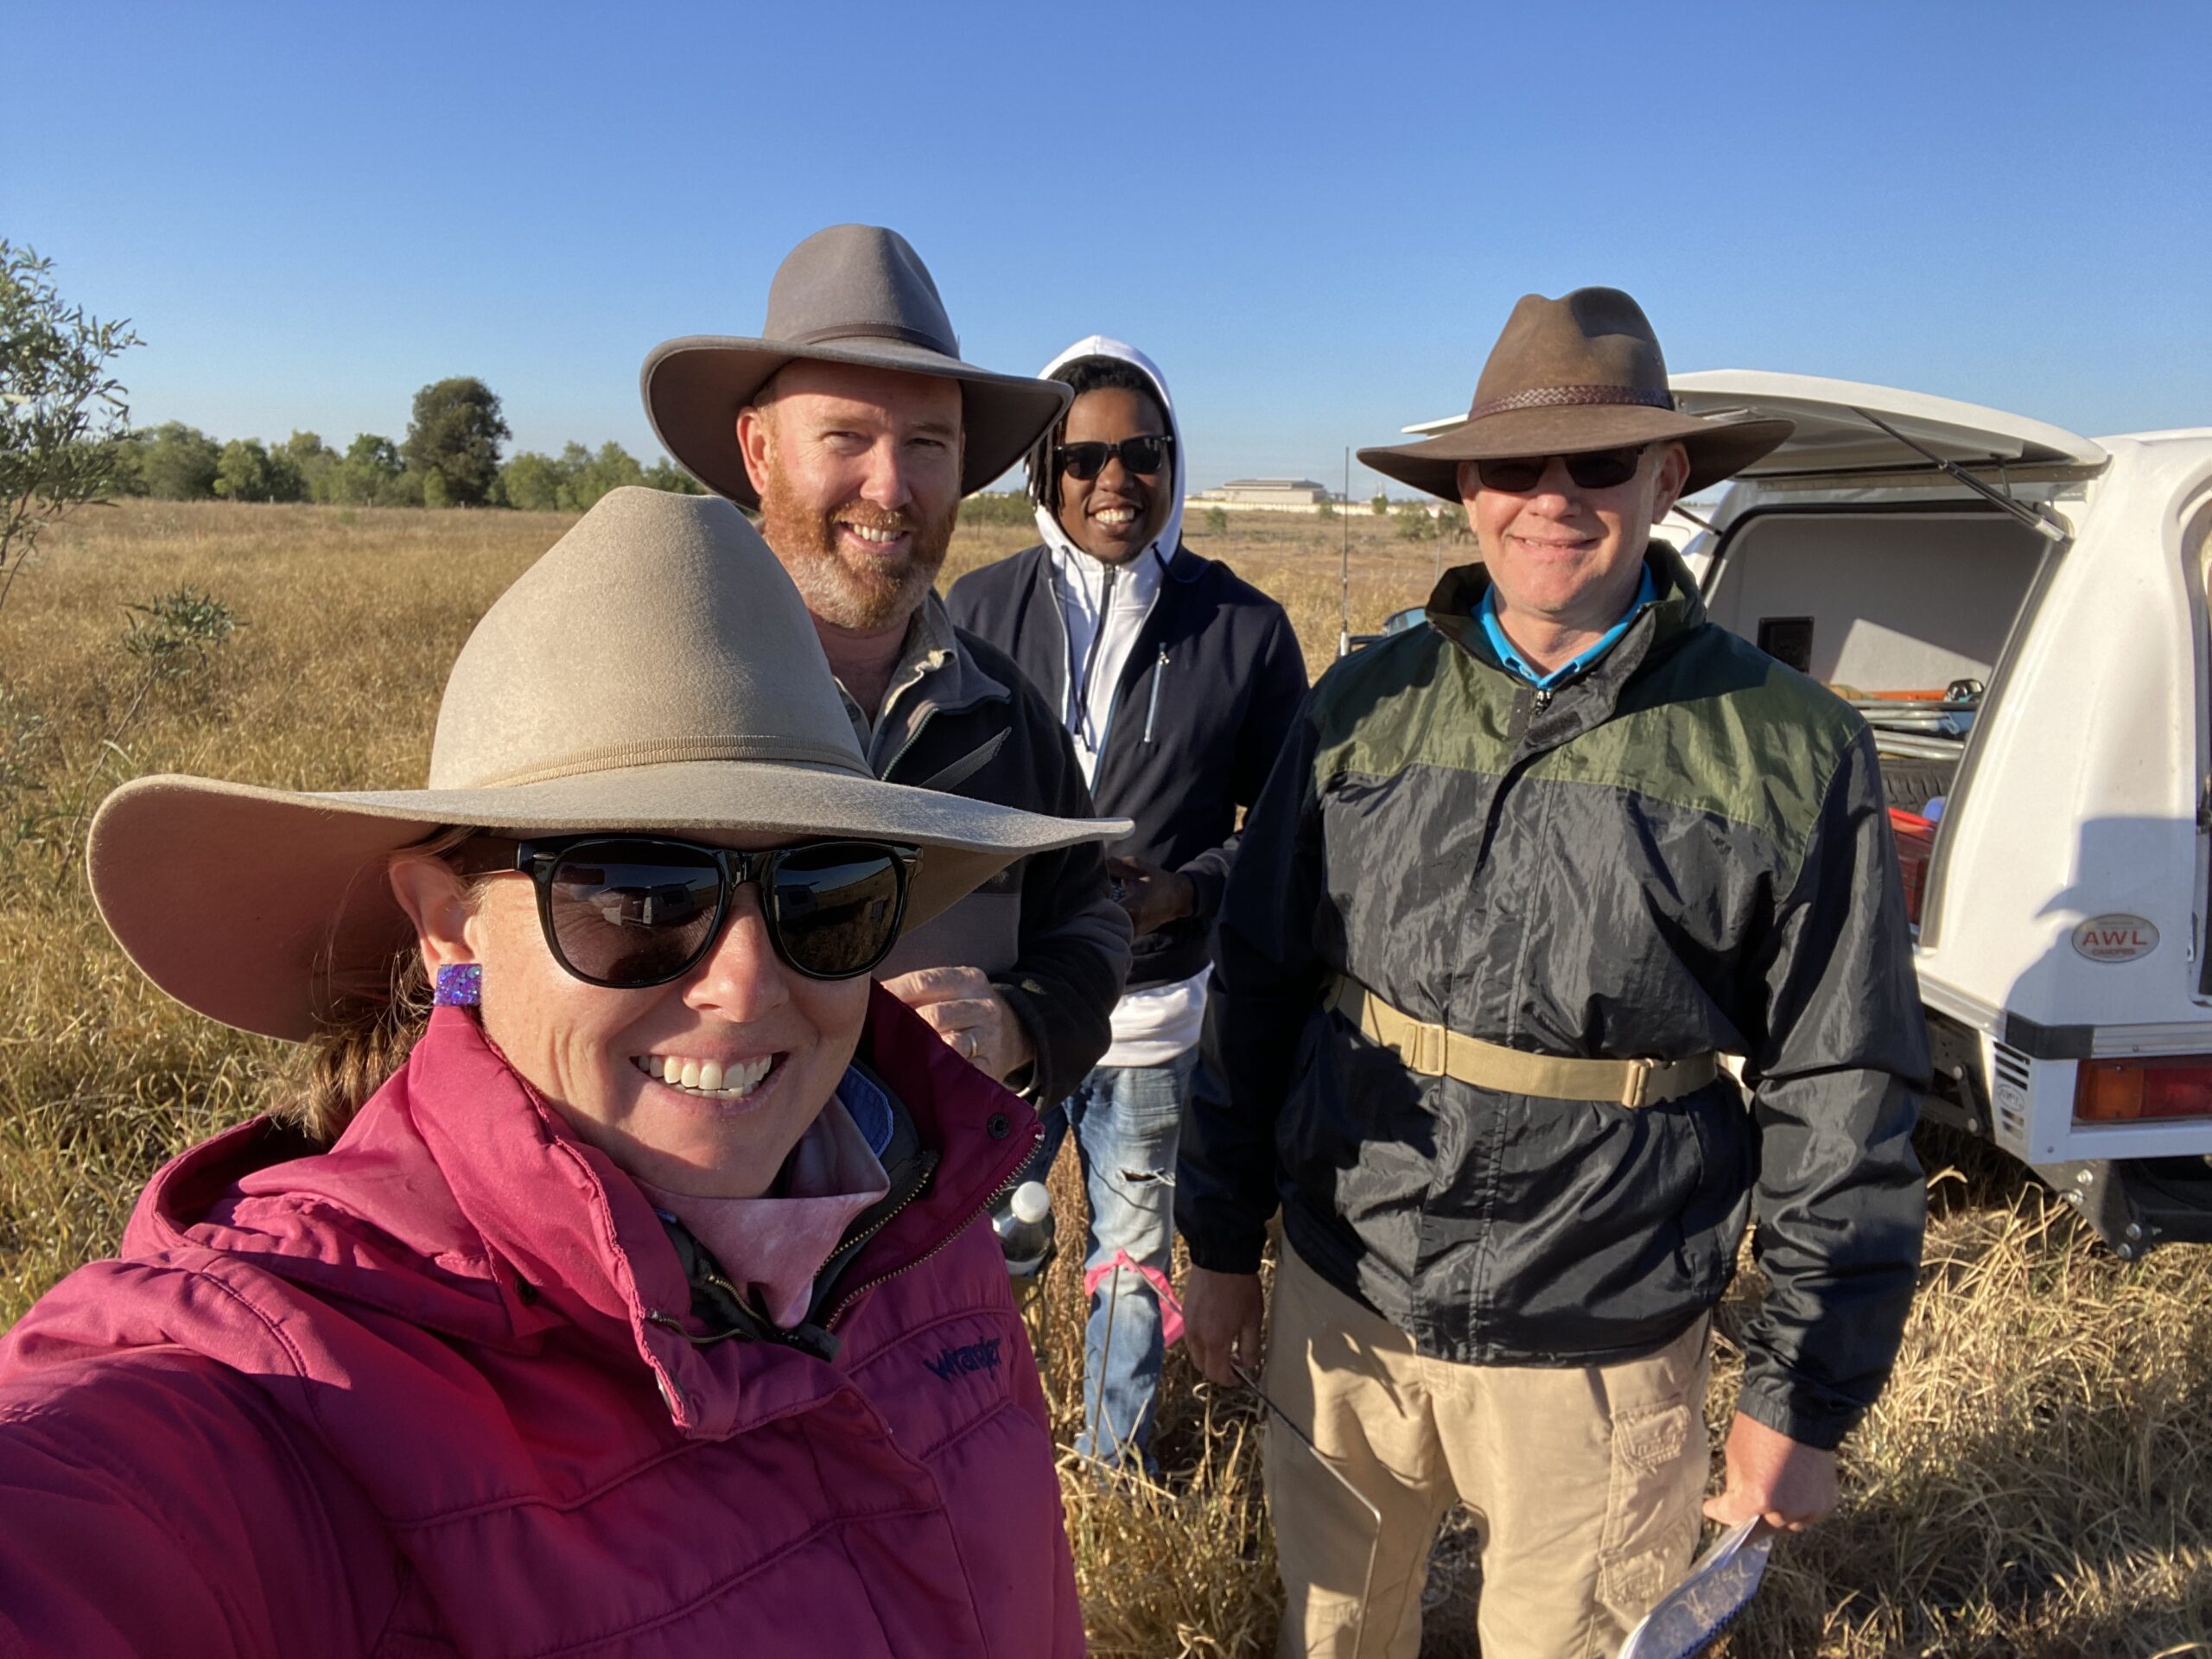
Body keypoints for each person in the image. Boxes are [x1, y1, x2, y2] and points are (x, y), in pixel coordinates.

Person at [0, 488, 1124, 1656]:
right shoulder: (288, 1383)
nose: (745, 985)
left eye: (822, 896)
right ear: (449, 928)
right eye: (636, 893)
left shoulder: (917, 1212)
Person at [1176, 289, 1929, 1657]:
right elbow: (1260, 985)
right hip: (1350, 1293)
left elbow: (1844, 1086)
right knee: (1331, 1632)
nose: (1553, 497)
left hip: (1606, 1328)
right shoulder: (1362, 708)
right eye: (1516, 465)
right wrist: (1223, 1243)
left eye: (1598, 463)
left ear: (1667, 476)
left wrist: (1802, 1399)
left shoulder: (1790, 748)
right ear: (1467, 489)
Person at [642, 225, 1130, 1110]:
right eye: (846, 437)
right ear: (758, 452)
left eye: (928, 445)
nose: (891, 488)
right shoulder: (650, 699)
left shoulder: (1004, 714)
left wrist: (1017, 1024)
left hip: (945, 1224)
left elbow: (1086, 922)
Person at [946, 338, 1306, 1466]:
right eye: (1082, 456)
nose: (1113, 480)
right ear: (1042, 475)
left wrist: (1184, 893)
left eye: (1139, 454)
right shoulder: (978, 609)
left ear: (1173, 464)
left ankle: (1112, 1465)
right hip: (1005, 1014)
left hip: (1154, 1016)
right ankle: (973, 1447)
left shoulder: (1243, 629)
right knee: (982, 1240)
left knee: (1136, 1257)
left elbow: (1293, 837)